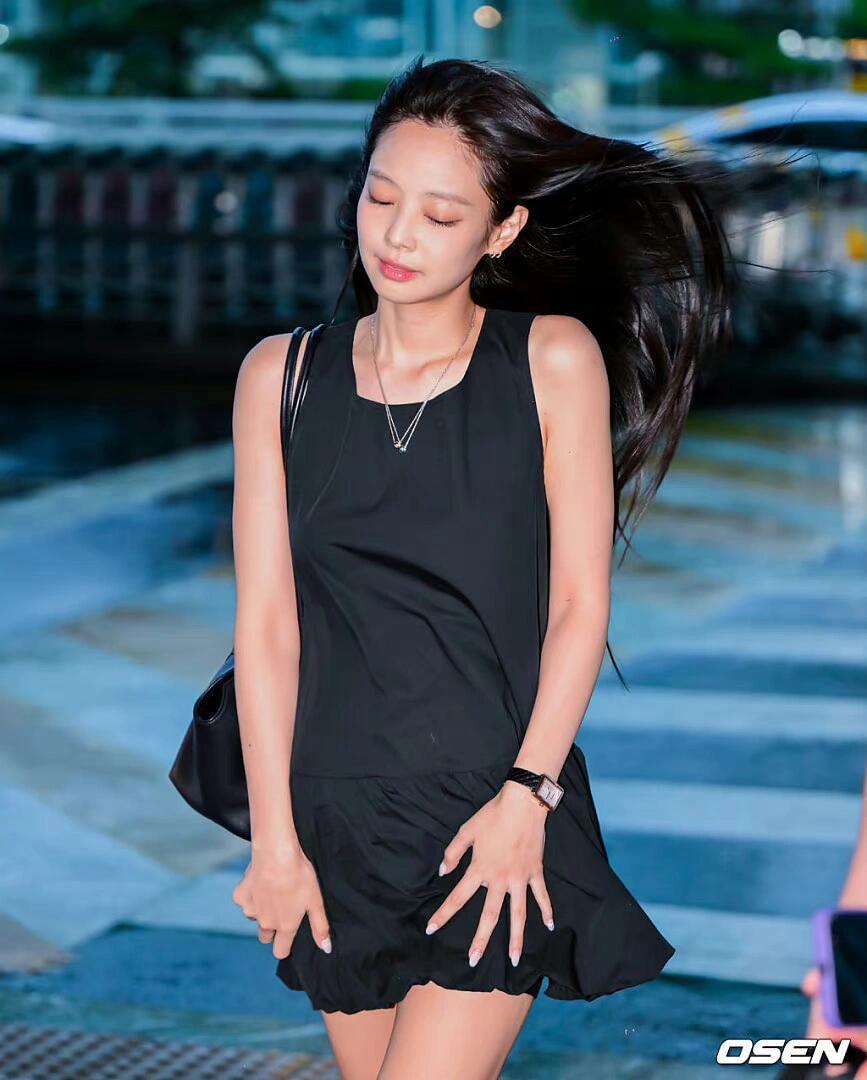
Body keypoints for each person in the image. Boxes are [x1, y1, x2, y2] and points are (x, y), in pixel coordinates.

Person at [228, 55, 733, 1079]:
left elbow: (580, 604)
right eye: (381, 198)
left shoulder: (550, 359)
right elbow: (269, 628)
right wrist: (273, 842)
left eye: (441, 214)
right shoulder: (279, 376)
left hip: (492, 811)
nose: (398, 234)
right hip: (333, 818)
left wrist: (526, 798)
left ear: (501, 231)